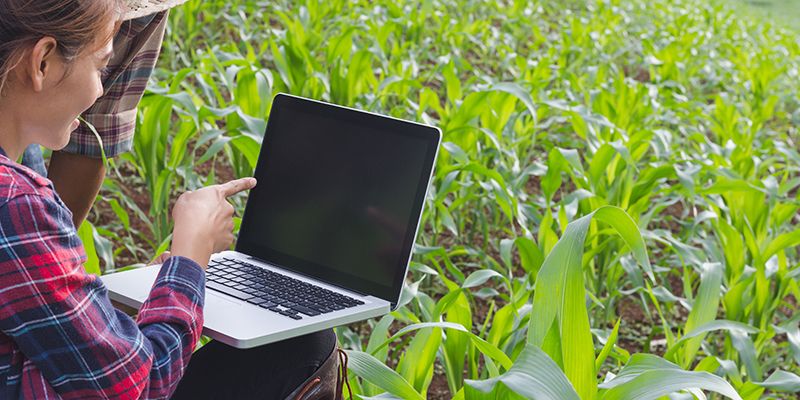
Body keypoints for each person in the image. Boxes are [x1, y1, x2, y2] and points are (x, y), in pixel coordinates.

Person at [0, 0, 337, 399]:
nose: (101, 89)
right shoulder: (17, 203)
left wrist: (121, 306)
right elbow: (141, 384)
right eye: (101, 67)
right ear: (42, 63)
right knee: (306, 348)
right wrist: (189, 259)